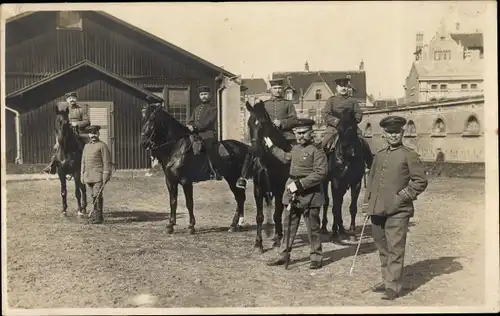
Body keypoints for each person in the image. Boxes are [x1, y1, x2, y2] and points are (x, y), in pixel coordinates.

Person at [362, 115, 428, 300]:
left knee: (395, 248)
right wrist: (368, 203)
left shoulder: (409, 155)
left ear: (403, 132)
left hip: (398, 211)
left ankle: (394, 286)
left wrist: (402, 197)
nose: (393, 135)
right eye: (390, 132)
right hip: (377, 210)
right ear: (384, 134)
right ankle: (387, 280)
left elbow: (420, 181)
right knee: (382, 247)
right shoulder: (380, 155)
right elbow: (372, 181)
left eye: (397, 132)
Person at [263, 118, 328, 269]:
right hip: (292, 193)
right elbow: (286, 158)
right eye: (297, 133)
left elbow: (320, 173)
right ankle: (283, 255)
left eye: (304, 133)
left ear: (311, 133)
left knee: (313, 228)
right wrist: (272, 147)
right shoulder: (295, 149)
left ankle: (316, 257)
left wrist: (300, 184)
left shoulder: (317, 151)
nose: (300, 136)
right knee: (288, 227)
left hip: (310, 194)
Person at [236, 78, 299, 189]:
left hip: (286, 135)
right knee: (252, 150)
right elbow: (257, 118)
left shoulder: (288, 104)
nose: (278, 90)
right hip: (267, 136)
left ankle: (297, 176)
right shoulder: (265, 104)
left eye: (280, 88)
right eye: (275, 88)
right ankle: (243, 176)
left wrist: (282, 123)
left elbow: (294, 120)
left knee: (296, 152)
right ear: (271, 89)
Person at [320, 77, 368, 165]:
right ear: (337, 87)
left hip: (351, 128)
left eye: (345, 86)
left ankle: (369, 164)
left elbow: (359, 113)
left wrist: (351, 122)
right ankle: (323, 169)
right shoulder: (331, 100)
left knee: (363, 142)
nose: (343, 88)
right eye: (341, 86)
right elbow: (326, 114)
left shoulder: (353, 101)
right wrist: (337, 122)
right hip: (334, 129)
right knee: (324, 145)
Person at [44, 91, 90, 174]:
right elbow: (58, 124)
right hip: (66, 132)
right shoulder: (63, 111)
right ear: (67, 100)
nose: (71, 100)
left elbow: (87, 121)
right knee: (57, 146)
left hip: (78, 132)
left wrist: (77, 124)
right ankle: (52, 165)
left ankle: (87, 164)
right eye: (69, 98)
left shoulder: (81, 109)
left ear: (76, 99)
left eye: (73, 98)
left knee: (86, 146)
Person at [186, 85, 222, 180]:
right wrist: (189, 125)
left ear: (209, 95)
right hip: (196, 134)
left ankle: (213, 171)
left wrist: (194, 127)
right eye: (201, 94)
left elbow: (208, 122)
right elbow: (191, 120)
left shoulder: (213, 108)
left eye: (205, 94)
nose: (203, 96)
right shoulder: (196, 108)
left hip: (208, 134)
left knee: (208, 149)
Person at [81, 125, 113, 224]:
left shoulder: (102, 146)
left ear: (98, 134)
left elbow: (107, 162)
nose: (93, 135)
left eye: (95, 133)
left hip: (98, 175)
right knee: (92, 196)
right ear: (89, 134)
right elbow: (83, 162)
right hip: (88, 176)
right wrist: (82, 174)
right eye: (91, 133)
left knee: (97, 195)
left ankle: (99, 217)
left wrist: (106, 175)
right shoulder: (86, 146)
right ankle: (95, 215)